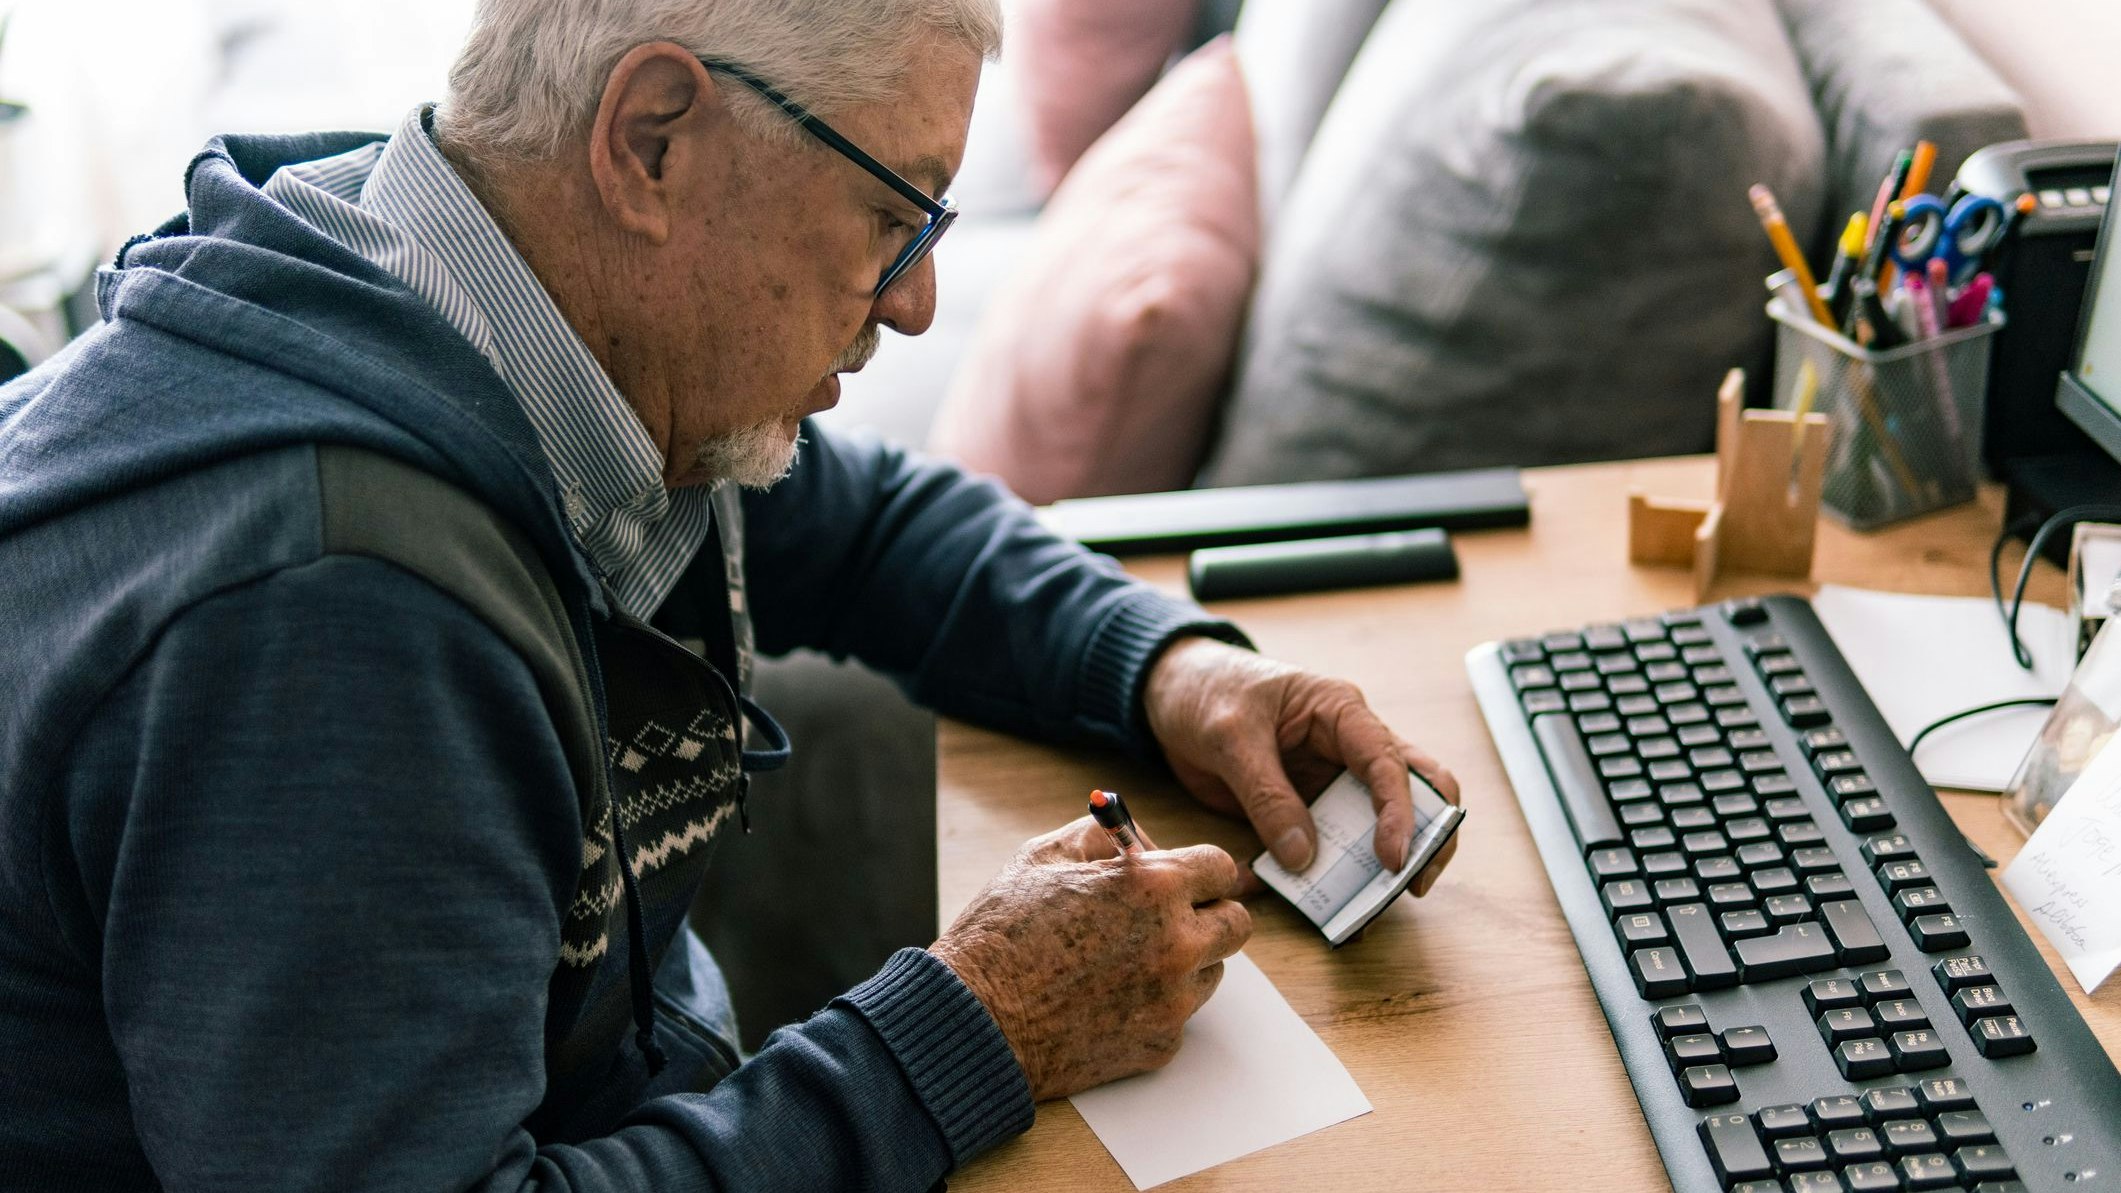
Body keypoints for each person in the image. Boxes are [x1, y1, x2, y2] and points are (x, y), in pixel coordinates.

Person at [0, 1, 1460, 1189]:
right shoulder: (335, 621)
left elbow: (873, 519)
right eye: (896, 213)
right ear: (651, 137)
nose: (915, 303)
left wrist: (1169, 668)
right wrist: (977, 1024)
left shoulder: (514, 308)